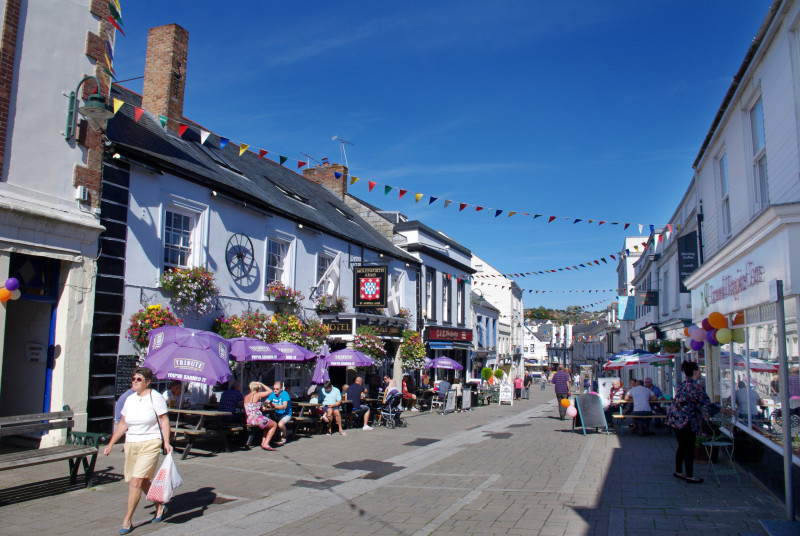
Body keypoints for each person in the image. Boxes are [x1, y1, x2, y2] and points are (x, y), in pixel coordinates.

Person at [102, 367, 172, 534]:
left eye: (138, 379)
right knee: (143, 480)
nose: (134, 381)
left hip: (150, 443)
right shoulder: (130, 399)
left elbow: (164, 420)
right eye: (133, 379)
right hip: (132, 443)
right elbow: (123, 424)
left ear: (147, 382)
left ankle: (127, 520)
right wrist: (111, 444)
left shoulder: (155, 397)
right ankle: (160, 506)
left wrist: (166, 442)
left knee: (136, 481)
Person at [666, 361, 711, 484]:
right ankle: (690, 475)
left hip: (675, 420)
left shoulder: (681, 385)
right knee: (689, 448)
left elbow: (688, 402)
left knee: (682, 446)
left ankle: (678, 471)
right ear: (695, 372)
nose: (701, 373)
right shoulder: (695, 387)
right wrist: (725, 412)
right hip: (687, 421)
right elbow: (707, 403)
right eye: (700, 370)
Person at [244, 381, 278, 451]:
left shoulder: (246, 397)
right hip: (257, 419)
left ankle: (263, 442)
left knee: (267, 424)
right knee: (274, 425)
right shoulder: (257, 394)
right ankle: (266, 443)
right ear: (258, 388)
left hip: (249, 420)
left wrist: (260, 407)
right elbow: (270, 391)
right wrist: (261, 384)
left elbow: (252, 407)